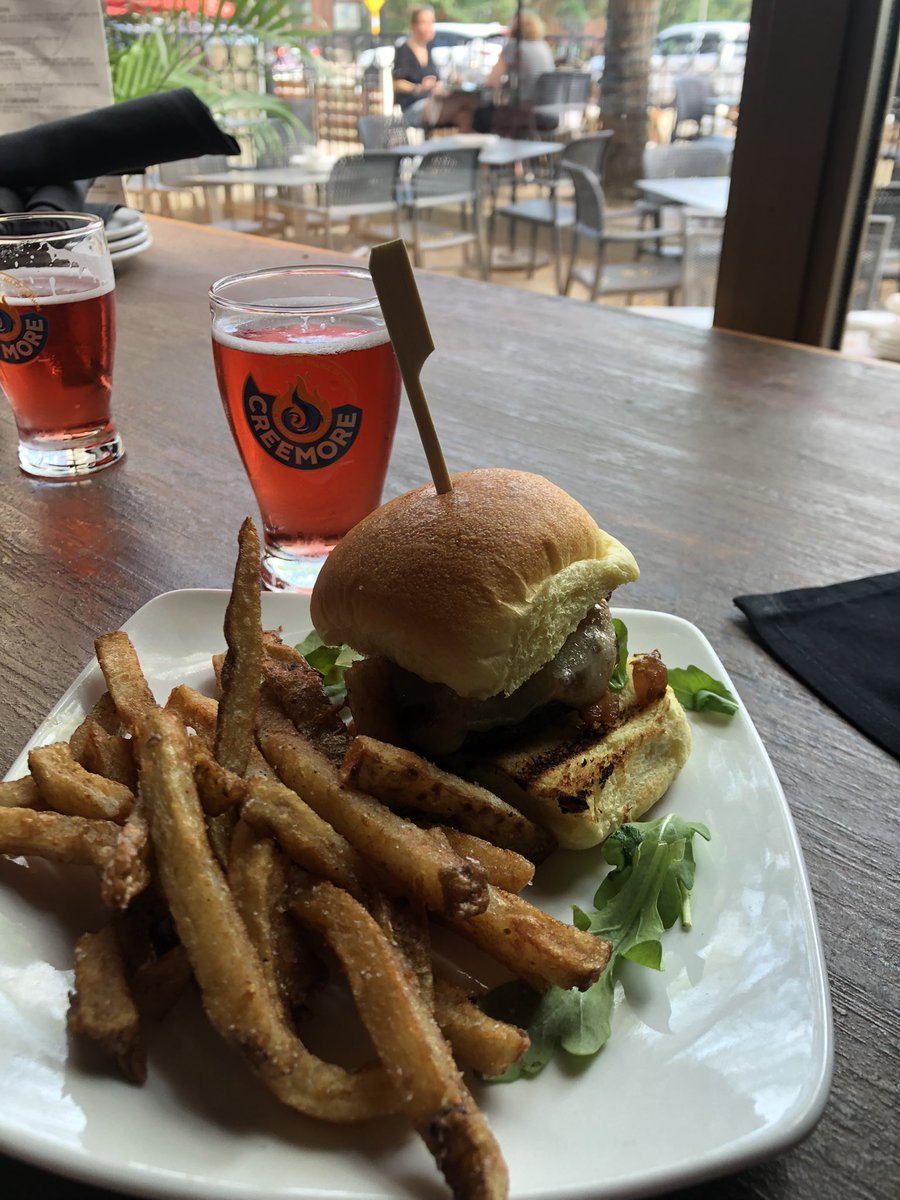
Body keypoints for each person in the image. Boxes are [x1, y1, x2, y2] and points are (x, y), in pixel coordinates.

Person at [392, 7, 477, 133]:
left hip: (432, 101)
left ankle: (463, 150)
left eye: (431, 22)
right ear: (413, 25)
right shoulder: (404, 50)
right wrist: (419, 88)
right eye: (424, 22)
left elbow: (435, 79)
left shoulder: (428, 48)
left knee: (465, 115)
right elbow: (397, 84)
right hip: (414, 107)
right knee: (466, 101)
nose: (429, 27)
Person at [484, 10, 555, 103]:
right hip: (549, 107)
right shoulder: (543, 45)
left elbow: (492, 82)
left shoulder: (514, 46)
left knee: (474, 111)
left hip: (524, 108)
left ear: (514, 28)